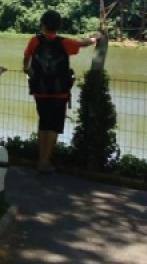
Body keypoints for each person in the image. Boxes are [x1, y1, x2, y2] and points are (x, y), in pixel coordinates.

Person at [23, 10, 99, 174]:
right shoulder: (65, 43)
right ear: (59, 26)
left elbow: (26, 58)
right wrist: (95, 38)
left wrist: (27, 70)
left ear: (42, 24)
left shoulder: (34, 41)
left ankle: (40, 159)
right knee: (54, 127)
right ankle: (46, 161)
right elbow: (83, 43)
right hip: (60, 93)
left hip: (40, 91)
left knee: (43, 123)